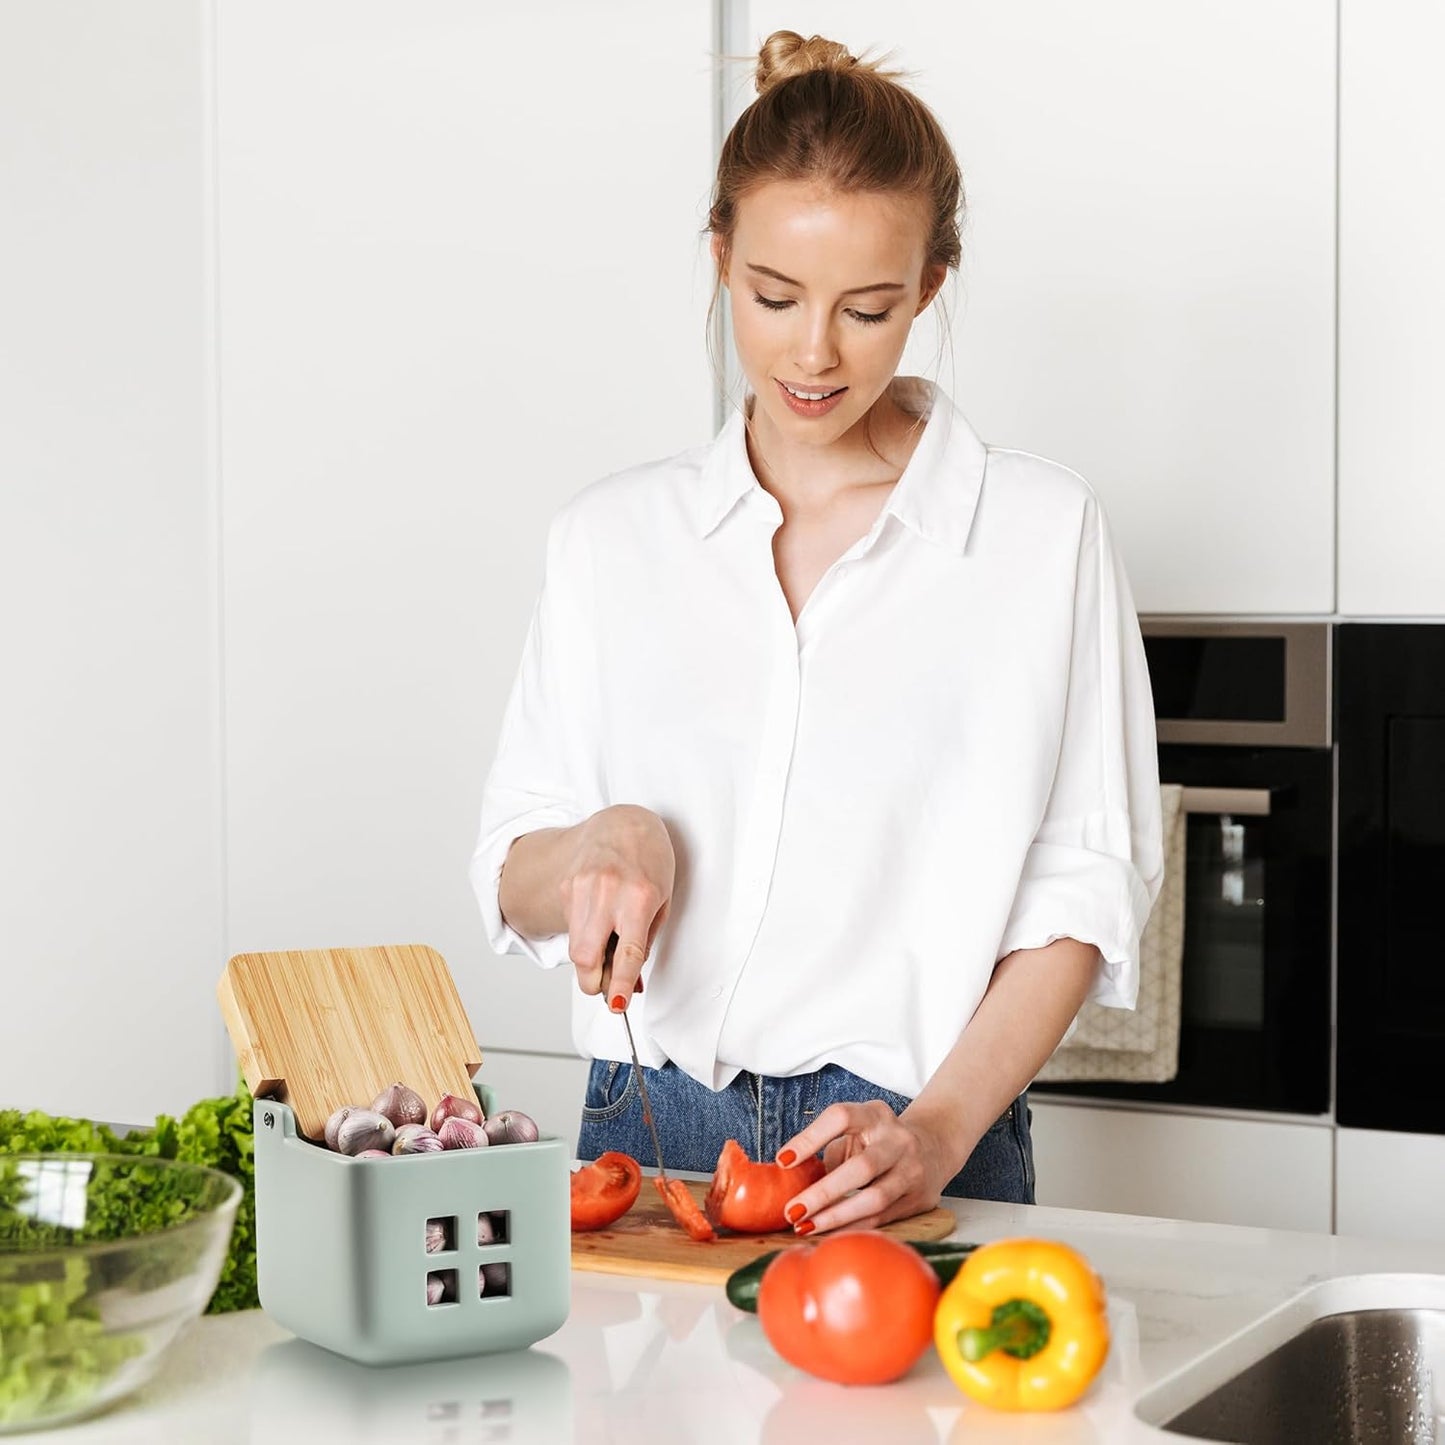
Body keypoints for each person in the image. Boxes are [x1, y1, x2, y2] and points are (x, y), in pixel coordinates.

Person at [471, 30, 1163, 1236]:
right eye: (773, 295)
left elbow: (1081, 890)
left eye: (868, 307)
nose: (811, 352)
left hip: (908, 1139)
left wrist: (939, 1128)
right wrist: (603, 836)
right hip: (641, 1133)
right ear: (719, 256)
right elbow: (511, 874)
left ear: (930, 287)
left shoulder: (1039, 536)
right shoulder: (608, 541)